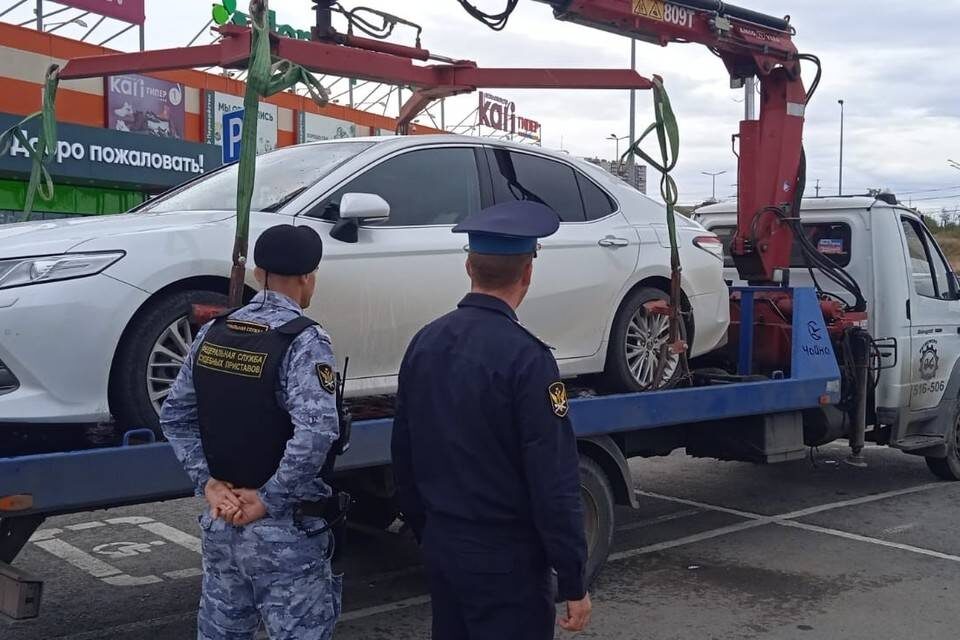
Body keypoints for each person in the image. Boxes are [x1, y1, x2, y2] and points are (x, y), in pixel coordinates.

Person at [391, 201, 592, 640]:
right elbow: (553, 482)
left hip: (444, 543)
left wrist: (427, 529)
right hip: (507, 558)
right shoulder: (528, 358)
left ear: (468, 266)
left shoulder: (424, 342)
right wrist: (574, 578)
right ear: (528, 273)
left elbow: (403, 451)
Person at [160, 224, 342, 640]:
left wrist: (207, 484)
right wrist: (269, 498)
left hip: (223, 522)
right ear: (308, 278)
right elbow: (316, 431)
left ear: (258, 274)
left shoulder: (214, 331)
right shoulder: (304, 339)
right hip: (284, 533)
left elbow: (174, 415)